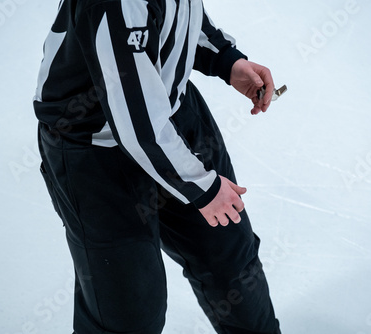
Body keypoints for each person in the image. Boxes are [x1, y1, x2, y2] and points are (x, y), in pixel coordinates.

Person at [34, 0, 281, 333]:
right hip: (93, 151)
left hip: (170, 115)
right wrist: (201, 187)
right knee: (127, 311)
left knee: (233, 267)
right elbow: (135, 120)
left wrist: (226, 60)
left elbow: (177, 15)